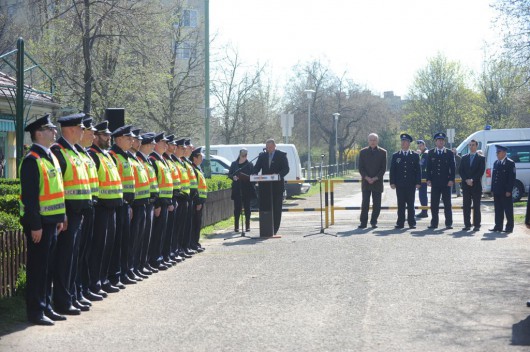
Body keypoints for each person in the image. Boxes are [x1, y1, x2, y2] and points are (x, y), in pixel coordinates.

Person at [20, 114, 66, 325]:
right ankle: (36, 311)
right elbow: (30, 199)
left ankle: (46, 306)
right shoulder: (32, 160)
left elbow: (57, 191)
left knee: (48, 267)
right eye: (50, 129)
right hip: (39, 225)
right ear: (38, 133)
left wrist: (60, 216)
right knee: (38, 269)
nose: (54, 131)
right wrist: (36, 225)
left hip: (51, 222)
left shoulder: (51, 157)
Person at [51, 113, 92, 315]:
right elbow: (58, 187)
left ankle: (72, 295)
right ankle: (62, 301)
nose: (84, 132)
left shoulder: (74, 152)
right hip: (67, 215)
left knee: (74, 258)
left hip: (78, 213)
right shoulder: (58, 152)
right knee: (65, 260)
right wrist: (63, 214)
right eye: (81, 128)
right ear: (71, 129)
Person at [87, 121, 123, 298]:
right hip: (100, 208)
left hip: (112, 208)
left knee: (108, 246)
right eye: (105, 135)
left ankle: (103, 279)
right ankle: (95, 282)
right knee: (98, 248)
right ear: (96, 137)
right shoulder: (93, 155)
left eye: (109, 135)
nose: (109, 138)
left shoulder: (107, 156)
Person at [73, 117, 99, 308]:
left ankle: (81, 290)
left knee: (84, 253)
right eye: (89, 131)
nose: (91, 135)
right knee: (74, 256)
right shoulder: (68, 153)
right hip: (72, 212)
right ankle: (73, 294)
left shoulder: (83, 155)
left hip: (87, 208)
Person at [109, 125, 137, 286]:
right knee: (118, 242)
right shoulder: (113, 156)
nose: (132, 140)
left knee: (125, 241)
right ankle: (115, 275)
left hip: (126, 205)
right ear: (118, 139)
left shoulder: (125, 156)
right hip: (117, 205)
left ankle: (124, 272)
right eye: (128, 138)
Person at [252, 139, 290, 235]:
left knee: (276, 208)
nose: (268, 149)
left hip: (277, 186)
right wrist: (254, 174)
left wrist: (278, 175)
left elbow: (286, 169)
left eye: (270, 147)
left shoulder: (281, 155)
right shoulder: (262, 156)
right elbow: (256, 167)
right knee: (265, 207)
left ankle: (275, 229)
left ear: (274, 146)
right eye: (267, 147)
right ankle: (266, 229)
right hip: (265, 186)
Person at [148, 132, 174, 270]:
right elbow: (154, 185)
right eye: (163, 142)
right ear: (156, 144)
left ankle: (160, 257)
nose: (166, 145)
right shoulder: (153, 160)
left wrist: (169, 201)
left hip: (165, 201)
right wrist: (157, 203)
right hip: (159, 202)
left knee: (162, 233)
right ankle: (155, 259)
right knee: (157, 234)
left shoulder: (161, 160)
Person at [136, 132, 159, 275]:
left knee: (145, 237)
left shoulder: (147, 160)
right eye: (151, 144)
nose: (153, 146)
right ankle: (137, 266)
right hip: (138, 203)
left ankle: (142, 264)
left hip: (148, 202)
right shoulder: (140, 159)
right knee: (138, 239)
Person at [389, 133, 421, 229]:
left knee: (411, 204)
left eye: (405, 141)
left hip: (411, 184)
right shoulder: (396, 155)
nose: (403, 143)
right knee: (401, 204)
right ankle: (400, 222)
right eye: (402, 141)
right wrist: (392, 182)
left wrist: (418, 182)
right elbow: (392, 170)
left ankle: (412, 223)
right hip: (400, 184)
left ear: (409, 143)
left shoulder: (415, 155)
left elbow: (418, 170)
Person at [426, 132, 455, 230]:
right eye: (439, 140)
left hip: (446, 182)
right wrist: (428, 179)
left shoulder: (449, 153)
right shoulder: (431, 153)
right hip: (435, 183)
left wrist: (451, 179)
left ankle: (449, 223)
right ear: (436, 142)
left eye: (442, 140)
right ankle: (434, 223)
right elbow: (428, 167)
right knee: (434, 204)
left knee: (447, 204)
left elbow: (453, 168)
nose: (441, 142)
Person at [358, 133, 387, 228]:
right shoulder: (363, 152)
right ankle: (363, 222)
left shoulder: (383, 152)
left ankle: (374, 221)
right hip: (366, 182)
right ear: (368, 141)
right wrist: (367, 178)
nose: (373, 142)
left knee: (377, 204)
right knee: (365, 203)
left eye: (374, 140)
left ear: (377, 141)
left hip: (377, 182)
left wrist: (375, 178)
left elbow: (383, 169)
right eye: (371, 140)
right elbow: (360, 168)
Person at [459, 139, 486, 231]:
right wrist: (466, 179)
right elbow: (461, 170)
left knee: (476, 206)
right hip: (466, 185)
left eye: (473, 145)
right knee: (466, 206)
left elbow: (481, 171)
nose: (471, 147)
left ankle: (477, 225)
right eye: (470, 145)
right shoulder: (464, 157)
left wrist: (472, 179)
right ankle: (467, 224)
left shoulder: (481, 158)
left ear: (476, 146)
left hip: (476, 185)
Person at [489, 145, 515, 233]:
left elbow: (511, 178)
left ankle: (509, 227)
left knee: (508, 210)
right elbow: (494, 178)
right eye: (496, 152)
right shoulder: (496, 162)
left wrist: (509, 190)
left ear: (504, 152)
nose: (497, 154)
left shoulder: (510, 163)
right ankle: (498, 226)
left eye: (498, 152)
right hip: (497, 190)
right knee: (498, 209)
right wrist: (492, 189)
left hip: (505, 191)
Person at [228, 148, 255, 232]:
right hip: (237, 188)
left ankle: (247, 225)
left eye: (246, 155)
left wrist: (247, 177)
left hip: (246, 188)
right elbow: (229, 174)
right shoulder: (234, 164)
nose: (244, 157)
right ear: (239, 155)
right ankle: (236, 226)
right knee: (237, 208)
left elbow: (253, 175)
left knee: (247, 208)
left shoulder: (250, 164)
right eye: (243, 155)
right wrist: (233, 177)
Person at [190, 147, 208, 250]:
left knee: (198, 224)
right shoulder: (193, 169)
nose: (202, 159)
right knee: (195, 224)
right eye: (200, 157)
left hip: (201, 200)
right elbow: (194, 187)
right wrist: (198, 202)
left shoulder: (198, 168)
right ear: (194, 158)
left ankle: (196, 243)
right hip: (197, 201)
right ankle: (193, 243)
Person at [415, 140, 429, 218]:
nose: (419, 147)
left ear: (424, 145)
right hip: (422, 176)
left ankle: (424, 212)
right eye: (419, 146)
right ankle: (424, 210)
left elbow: (421, 164)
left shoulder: (425, 154)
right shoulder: (423, 153)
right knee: (422, 195)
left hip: (423, 177)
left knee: (422, 195)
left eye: (421, 145)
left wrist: (417, 156)